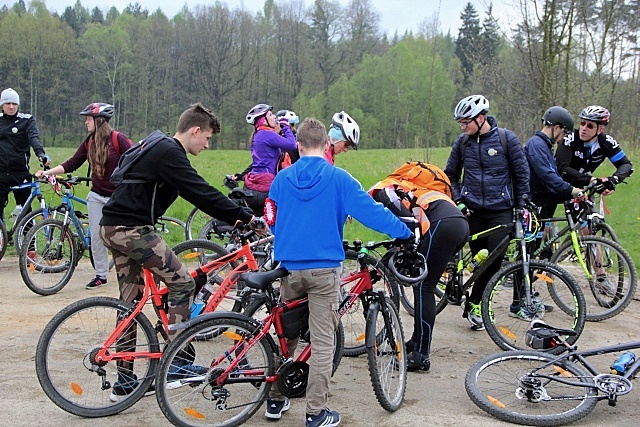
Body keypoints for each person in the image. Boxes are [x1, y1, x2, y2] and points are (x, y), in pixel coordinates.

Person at [99, 103, 265, 401]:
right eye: (208, 138)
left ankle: (124, 382)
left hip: (113, 226)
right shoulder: (169, 152)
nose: (207, 144)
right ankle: (177, 362)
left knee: (130, 303)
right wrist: (245, 217)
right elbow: (199, 192)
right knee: (183, 282)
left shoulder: (157, 143)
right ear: (195, 130)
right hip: (131, 230)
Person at [263, 117, 413, 426]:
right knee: (321, 343)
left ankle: (275, 400)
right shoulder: (339, 178)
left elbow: (271, 216)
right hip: (324, 269)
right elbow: (372, 212)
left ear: (299, 146)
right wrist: (404, 232)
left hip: (289, 268)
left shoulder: (281, 179)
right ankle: (316, 412)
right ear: (327, 145)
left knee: (286, 336)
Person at [369, 164, 468, 372]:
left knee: (424, 287)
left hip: (443, 224)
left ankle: (421, 354)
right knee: (424, 285)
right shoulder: (412, 189)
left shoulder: (383, 191)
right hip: (457, 223)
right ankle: (416, 342)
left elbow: (406, 223)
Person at [444, 94, 530, 331]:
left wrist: (522, 204)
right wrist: (459, 200)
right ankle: (472, 297)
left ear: (481, 118)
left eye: (466, 122)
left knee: (493, 260)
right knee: (480, 260)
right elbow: (450, 174)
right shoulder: (463, 143)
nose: (463, 127)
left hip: (500, 210)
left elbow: (522, 174)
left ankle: (476, 301)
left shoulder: (506, 139)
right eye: (461, 123)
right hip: (472, 211)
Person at [35, 103, 132, 289]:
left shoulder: (118, 139)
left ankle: (130, 273)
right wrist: (48, 173)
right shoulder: (90, 142)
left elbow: (136, 160)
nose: (86, 122)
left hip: (118, 198)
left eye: (89, 118)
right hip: (96, 196)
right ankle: (101, 275)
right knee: (96, 237)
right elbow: (72, 163)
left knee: (121, 237)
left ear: (99, 120)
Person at [556, 105, 633, 195]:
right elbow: (562, 168)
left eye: (590, 126)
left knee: (588, 208)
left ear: (600, 129)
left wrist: (613, 180)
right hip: (555, 183)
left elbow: (625, 164)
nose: (584, 128)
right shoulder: (570, 138)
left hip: (580, 184)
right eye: (582, 123)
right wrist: (592, 180)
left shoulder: (606, 142)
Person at [0, 87, 50, 222]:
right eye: (8, 104)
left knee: (26, 212)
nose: (11, 107)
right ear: (2, 105)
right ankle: (3, 237)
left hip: (20, 173)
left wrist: (40, 154)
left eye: (14, 104)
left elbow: (34, 137)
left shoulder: (27, 120)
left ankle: (29, 242)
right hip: (1, 174)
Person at [525, 106, 584, 220]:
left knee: (541, 236)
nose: (563, 138)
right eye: (564, 133)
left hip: (542, 199)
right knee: (534, 237)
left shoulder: (545, 145)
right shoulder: (536, 145)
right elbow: (547, 174)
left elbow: (554, 174)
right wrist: (571, 190)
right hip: (533, 200)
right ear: (556, 127)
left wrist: (568, 191)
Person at [243, 103, 297, 213]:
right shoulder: (267, 135)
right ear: (263, 120)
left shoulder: (257, 135)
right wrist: (286, 126)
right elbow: (292, 145)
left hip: (255, 179)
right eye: (271, 115)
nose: (274, 117)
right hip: (267, 182)